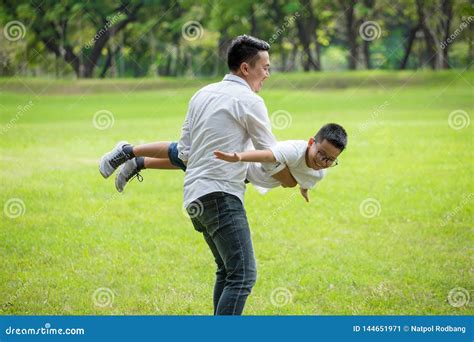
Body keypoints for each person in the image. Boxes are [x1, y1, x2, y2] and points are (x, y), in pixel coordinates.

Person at [99, 35, 297, 315]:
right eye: (265, 67)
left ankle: (133, 157)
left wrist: (141, 161)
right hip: (221, 198)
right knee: (242, 275)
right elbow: (270, 155)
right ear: (245, 68)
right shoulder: (250, 102)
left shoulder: (202, 93)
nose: (267, 74)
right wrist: (294, 177)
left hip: (195, 199)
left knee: (227, 272)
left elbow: (185, 153)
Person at [99, 123, 347, 203]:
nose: (323, 162)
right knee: (185, 152)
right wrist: (238, 156)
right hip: (239, 157)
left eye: (331, 160)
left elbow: (306, 179)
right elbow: (266, 155)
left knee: (188, 162)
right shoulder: (293, 149)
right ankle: (127, 151)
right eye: (321, 154)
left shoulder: (320, 173)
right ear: (311, 142)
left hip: (241, 175)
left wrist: (302, 188)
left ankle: (139, 163)